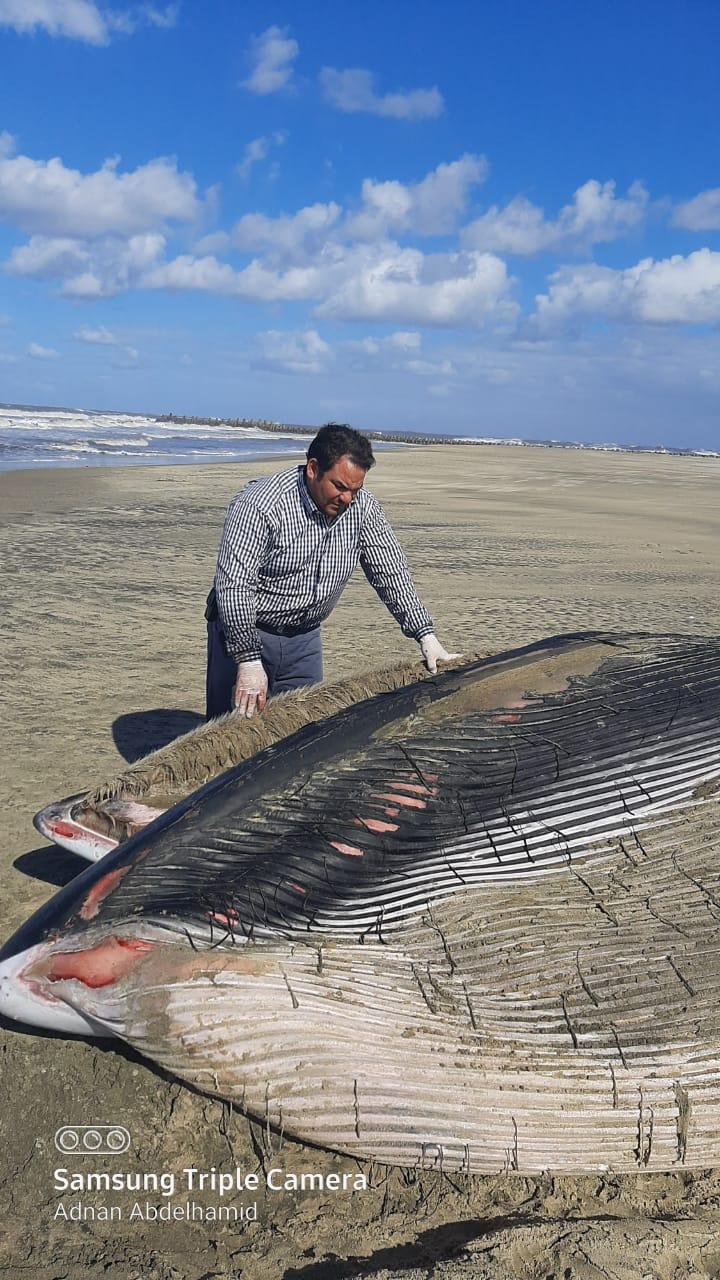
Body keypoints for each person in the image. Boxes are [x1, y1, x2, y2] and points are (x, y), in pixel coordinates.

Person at [205, 423, 460, 718]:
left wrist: (425, 634)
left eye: (355, 489)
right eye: (339, 487)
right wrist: (248, 660)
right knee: (233, 734)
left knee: (302, 732)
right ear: (313, 469)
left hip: (305, 640)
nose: (347, 499)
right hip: (244, 632)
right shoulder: (260, 505)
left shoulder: (362, 509)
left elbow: (390, 573)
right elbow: (235, 586)